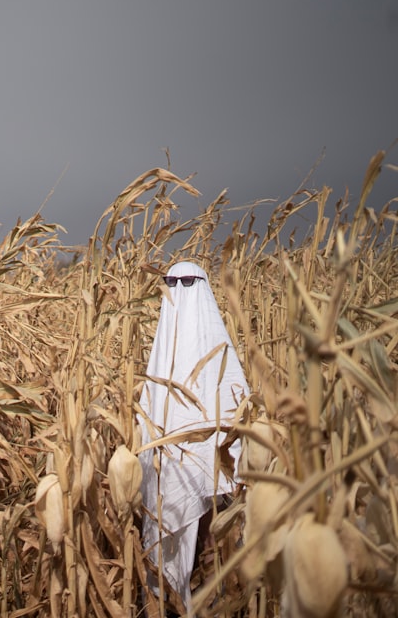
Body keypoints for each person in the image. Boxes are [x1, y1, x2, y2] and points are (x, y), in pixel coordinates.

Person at [138, 260, 250, 613]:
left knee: (219, 546)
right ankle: (170, 603)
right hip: (169, 467)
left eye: (186, 283)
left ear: (198, 287)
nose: (179, 291)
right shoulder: (163, 355)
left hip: (213, 474)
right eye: (173, 283)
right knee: (169, 534)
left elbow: (237, 410)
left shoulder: (217, 350)